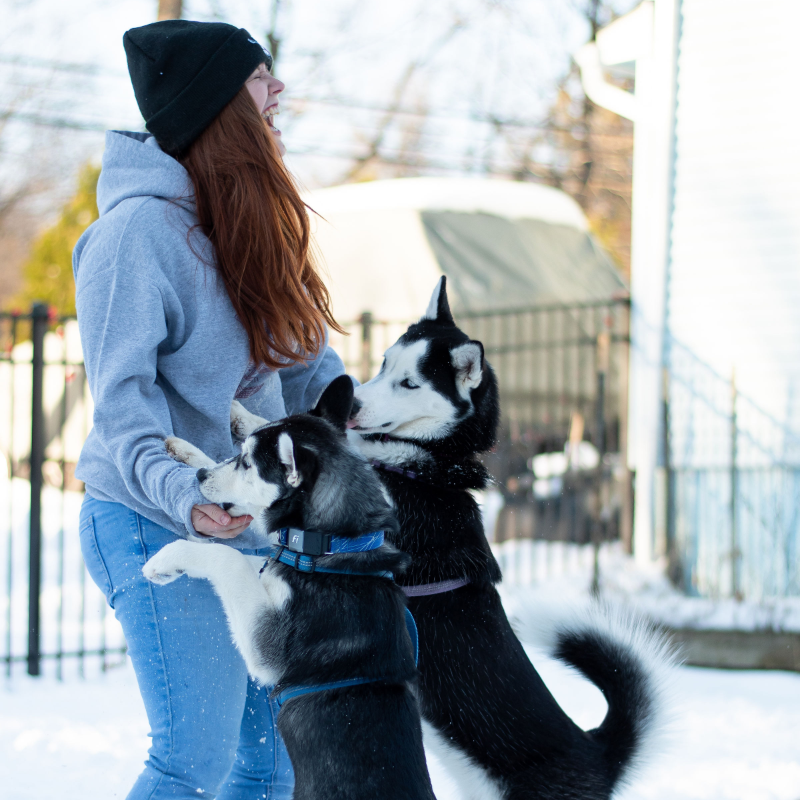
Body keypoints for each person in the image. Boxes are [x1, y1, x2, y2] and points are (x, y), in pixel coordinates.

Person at [74, 19, 346, 799]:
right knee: (192, 760)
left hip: (251, 522)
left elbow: (306, 371)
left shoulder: (249, 223)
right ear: (218, 107)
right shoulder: (132, 237)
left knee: (271, 765)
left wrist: (363, 424)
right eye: (261, 77)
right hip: (151, 515)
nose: (280, 90)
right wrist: (189, 498)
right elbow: (123, 413)